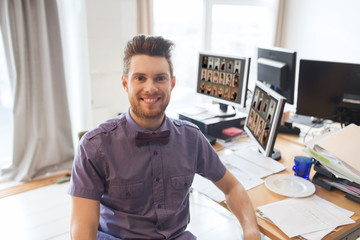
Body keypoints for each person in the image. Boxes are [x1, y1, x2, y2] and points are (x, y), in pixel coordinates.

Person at [69, 35, 261, 240]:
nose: (150, 88)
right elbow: (82, 230)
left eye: (160, 78)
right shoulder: (94, 146)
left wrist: (251, 231)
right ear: (125, 84)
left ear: (172, 83)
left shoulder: (191, 138)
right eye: (140, 78)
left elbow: (232, 187)